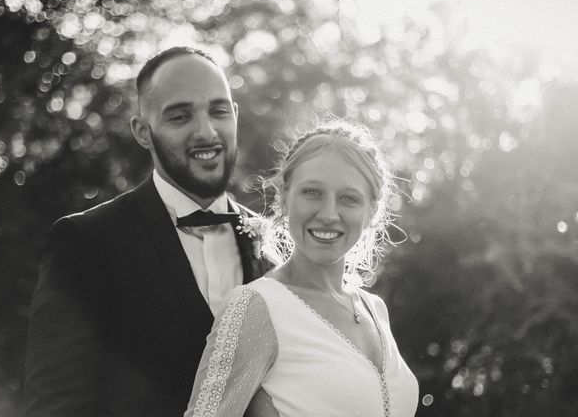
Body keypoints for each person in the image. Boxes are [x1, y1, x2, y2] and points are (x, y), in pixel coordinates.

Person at [24, 46, 271, 416]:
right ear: (142, 131)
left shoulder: (274, 244)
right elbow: (55, 406)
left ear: (234, 115)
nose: (207, 131)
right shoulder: (87, 242)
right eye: (180, 116)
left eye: (218, 111)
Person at [185, 120, 419, 417]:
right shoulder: (256, 307)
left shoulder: (375, 308)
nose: (329, 214)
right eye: (312, 192)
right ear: (284, 197)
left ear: (372, 210)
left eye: (349, 198)